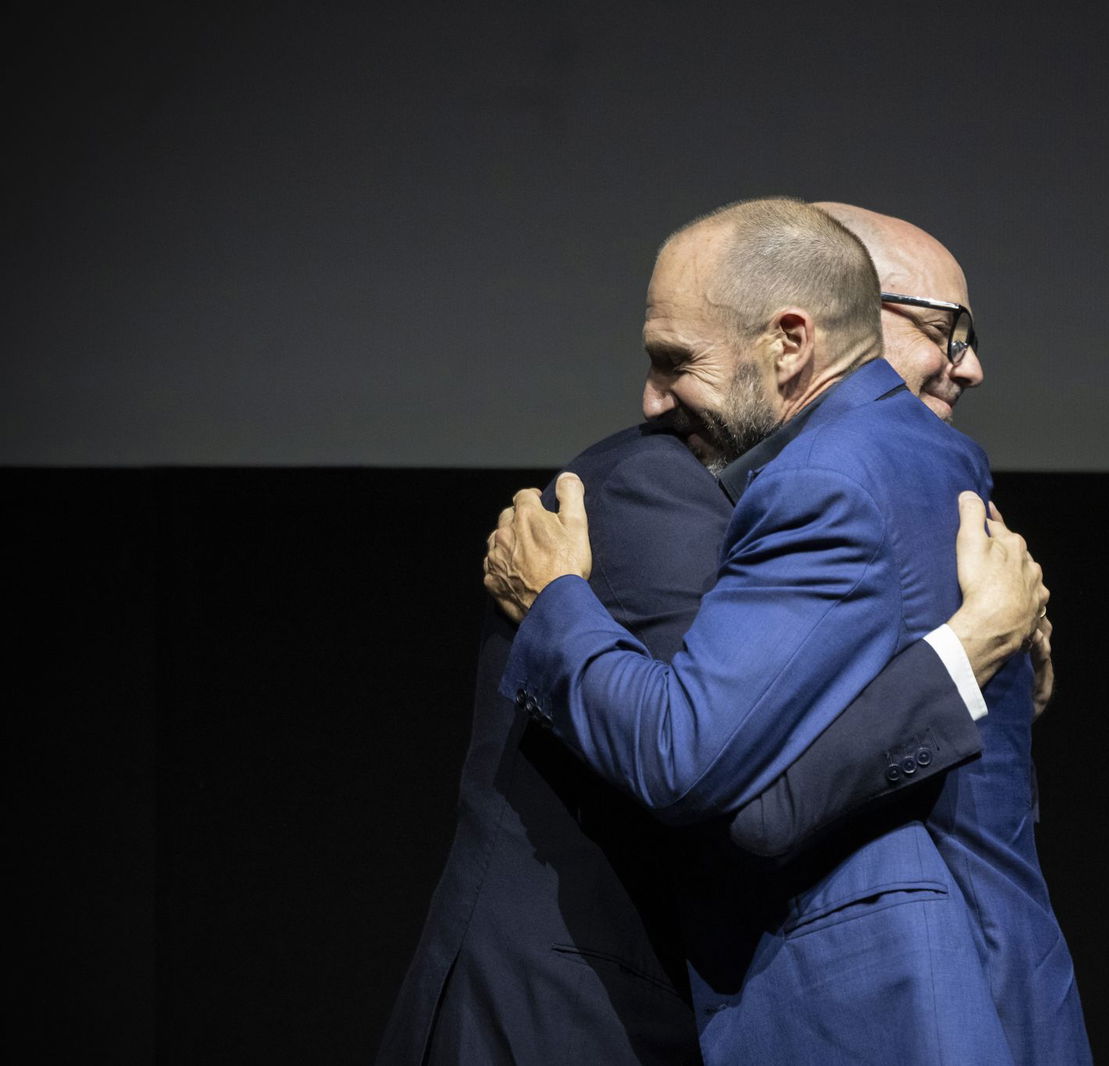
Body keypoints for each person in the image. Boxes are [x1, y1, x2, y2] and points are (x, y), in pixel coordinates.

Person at [377, 202, 1054, 1065]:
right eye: (946, 331)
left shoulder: (859, 488)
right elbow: (714, 768)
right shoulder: (652, 485)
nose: (651, 397)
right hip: (564, 1011)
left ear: (792, 336)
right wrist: (965, 649)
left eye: (675, 362)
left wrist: (985, 645)